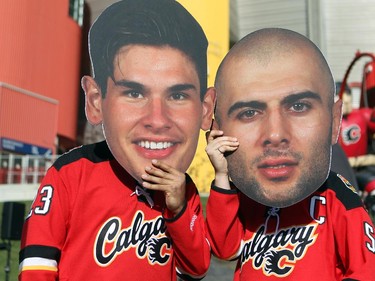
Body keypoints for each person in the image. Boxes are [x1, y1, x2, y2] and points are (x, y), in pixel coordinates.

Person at [18, 0, 215, 280]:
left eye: (177, 95)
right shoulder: (70, 173)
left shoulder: (183, 190)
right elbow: (37, 264)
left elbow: (195, 270)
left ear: (205, 109)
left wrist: (179, 209)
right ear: (96, 100)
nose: (157, 120)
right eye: (134, 94)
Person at [205, 28, 375, 280]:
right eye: (250, 112)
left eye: (298, 106)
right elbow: (223, 248)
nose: (274, 134)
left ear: (334, 120)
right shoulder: (248, 192)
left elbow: (367, 268)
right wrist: (221, 176)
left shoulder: (337, 196)